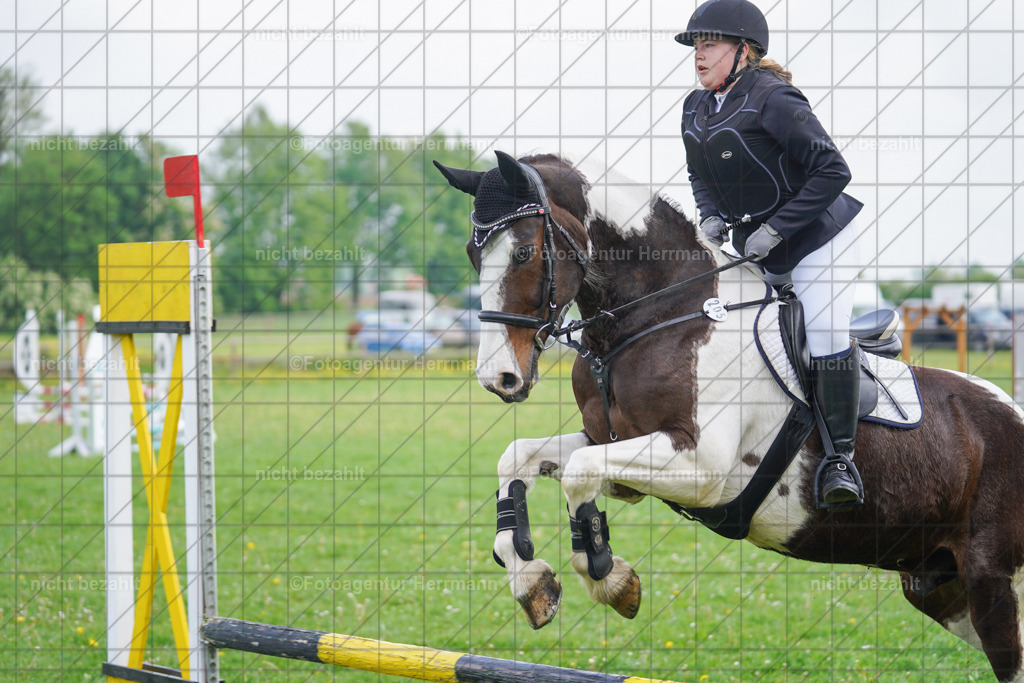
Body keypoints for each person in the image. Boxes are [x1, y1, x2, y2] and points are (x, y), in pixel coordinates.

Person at [677, 0, 865, 509]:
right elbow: (699, 173)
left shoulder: (774, 98)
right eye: (696, 46)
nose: (698, 56)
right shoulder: (696, 108)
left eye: (709, 45)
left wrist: (778, 229)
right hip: (754, 246)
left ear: (743, 50)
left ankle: (840, 461)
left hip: (818, 237)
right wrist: (710, 213)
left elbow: (833, 170)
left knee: (822, 333)